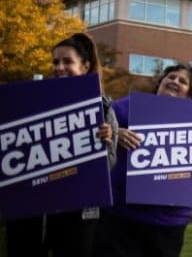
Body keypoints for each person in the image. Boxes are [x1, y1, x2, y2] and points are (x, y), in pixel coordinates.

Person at [5, 32, 118, 257]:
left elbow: (109, 164)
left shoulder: (103, 107)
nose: (59, 67)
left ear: (85, 66)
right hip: (32, 212)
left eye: (68, 61)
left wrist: (103, 143)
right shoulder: (30, 100)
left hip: (78, 213)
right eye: (56, 62)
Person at [94, 63, 192, 257]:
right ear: (161, 81)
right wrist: (116, 132)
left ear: (190, 93)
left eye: (182, 81)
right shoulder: (129, 106)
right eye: (170, 77)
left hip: (169, 221)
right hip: (122, 214)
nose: (174, 82)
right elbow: (97, 128)